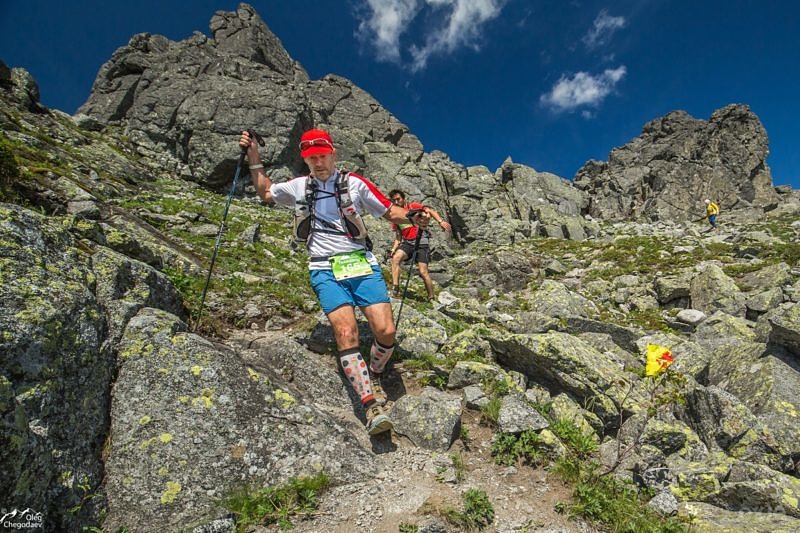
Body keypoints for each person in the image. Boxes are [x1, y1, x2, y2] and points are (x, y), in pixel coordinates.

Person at [239, 128, 430, 436]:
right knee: (345, 331)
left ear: (333, 154)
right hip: (323, 267)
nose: (318, 162)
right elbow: (265, 192)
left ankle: (376, 372)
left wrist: (414, 216)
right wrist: (253, 155)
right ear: (306, 160)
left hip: (361, 264)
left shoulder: (354, 183)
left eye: (322, 156)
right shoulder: (299, 186)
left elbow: (387, 210)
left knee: (387, 330)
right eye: (311, 158)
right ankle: (370, 405)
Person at [387, 189, 451, 301]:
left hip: (421, 241)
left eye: (398, 199)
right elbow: (398, 236)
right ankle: (396, 289)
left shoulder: (413, 206)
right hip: (407, 243)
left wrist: (440, 221)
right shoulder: (395, 216)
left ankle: (431, 297)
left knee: (423, 272)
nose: (396, 202)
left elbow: (429, 211)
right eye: (394, 200)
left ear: (403, 198)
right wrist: (393, 249)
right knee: (396, 258)